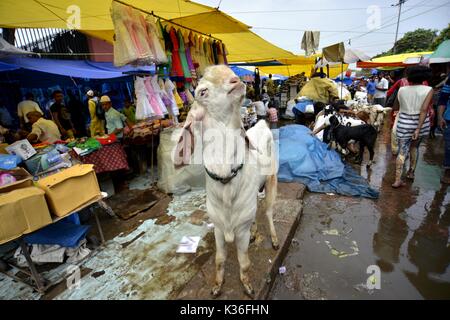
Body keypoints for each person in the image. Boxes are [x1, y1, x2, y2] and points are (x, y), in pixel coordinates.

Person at [392, 66, 433, 188]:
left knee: (402, 150)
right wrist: (418, 128)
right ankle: (411, 173)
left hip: (404, 122)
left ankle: (397, 180)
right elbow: (424, 110)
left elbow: (395, 107)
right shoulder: (428, 89)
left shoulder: (402, 90)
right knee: (415, 147)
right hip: (420, 123)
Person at [437, 74, 450, 184]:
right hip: (449, 118)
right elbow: (443, 100)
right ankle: (447, 171)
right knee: (449, 147)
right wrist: (440, 117)